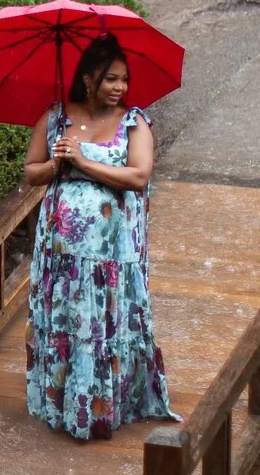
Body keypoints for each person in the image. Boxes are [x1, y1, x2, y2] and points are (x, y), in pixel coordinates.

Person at [20, 34, 173, 441]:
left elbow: (138, 177)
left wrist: (84, 163)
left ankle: (106, 407)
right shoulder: (56, 117)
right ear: (88, 80)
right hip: (61, 256)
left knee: (103, 324)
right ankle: (62, 401)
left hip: (112, 258)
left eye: (124, 80)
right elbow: (31, 172)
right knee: (68, 322)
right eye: (111, 79)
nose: (120, 88)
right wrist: (58, 163)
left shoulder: (134, 122)